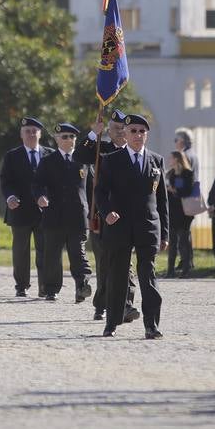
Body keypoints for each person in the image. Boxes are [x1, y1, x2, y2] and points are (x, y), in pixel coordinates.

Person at [95, 114, 168, 339]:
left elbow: (163, 200)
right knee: (117, 276)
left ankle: (151, 325)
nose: (138, 135)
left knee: (148, 276)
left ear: (147, 135)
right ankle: (112, 323)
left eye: (142, 131)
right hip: (119, 226)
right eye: (133, 131)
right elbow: (100, 192)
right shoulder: (112, 160)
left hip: (147, 226)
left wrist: (165, 232)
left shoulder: (156, 160)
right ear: (124, 134)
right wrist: (106, 213)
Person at [75, 110, 139, 323]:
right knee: (105, 263)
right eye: (115, 129)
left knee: (127, 264)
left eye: (123, 129)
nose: (120, 132)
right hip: (103, 214)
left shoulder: (135, 151)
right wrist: (94, 134)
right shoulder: (100, 150)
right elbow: (79, 157)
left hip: (128, 215)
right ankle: (101, 305)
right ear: (108, 131)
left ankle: (126, 306)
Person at [33, 122, 93, 301]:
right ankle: (51, 289)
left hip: (78, 215)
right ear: (56, 139)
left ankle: (82, 286)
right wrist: (40, 196)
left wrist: (95, 211)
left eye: (72, 137)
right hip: (54, 215)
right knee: (52, 253)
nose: (69, 140)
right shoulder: (47, 161)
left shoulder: (84, 161)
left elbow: (92, 188)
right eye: (64, 137)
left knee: (78, 252)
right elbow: (37, 184)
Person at [0, 116, 52, 297]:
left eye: (34, 131)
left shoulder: (50, 155)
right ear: (21, 135)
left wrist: (47, 198)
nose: (31, 134)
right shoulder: (12, 156)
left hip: (44, 211)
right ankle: (21, 285)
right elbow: (6, 181)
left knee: (45, 250)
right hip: (20, 210)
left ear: (40, 134)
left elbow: (55, 182)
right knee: (21, 251)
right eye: (27, 131)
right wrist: (10, 197)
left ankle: (45, 287)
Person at [164, 150, 196, 278]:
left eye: (171, 158)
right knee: (172, 242)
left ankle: (186, 269)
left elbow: (189, 191)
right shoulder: (170, 174)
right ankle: (170, 270)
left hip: (184, 212)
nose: (169, 160)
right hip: (172, 211)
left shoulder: (188, 174)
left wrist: (175, 190)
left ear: (177, 159)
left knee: (183, 241)